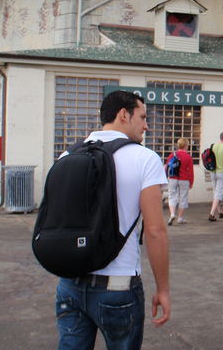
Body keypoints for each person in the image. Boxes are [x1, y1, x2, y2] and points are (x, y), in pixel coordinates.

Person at [55, 90, 170, 349]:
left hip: (70, 283)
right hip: (118, 288)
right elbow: (155, 231)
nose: (146, 125)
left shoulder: (68, 156)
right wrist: (163, 289)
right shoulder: (145, 159)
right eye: (142, 117)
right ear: (123, 115)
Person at [165, 138, 194, 225]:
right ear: (186, 146)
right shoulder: (188, 157)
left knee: (172, 196)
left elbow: (166, 167)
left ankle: (172, 214)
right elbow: (190, 171)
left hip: (173, 178)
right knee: (183, 198)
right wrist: (191, 182)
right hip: (184, 180)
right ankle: (180, 218)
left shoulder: (172, 154)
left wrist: (166, 177)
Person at [209, 131, 223, 221]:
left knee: (216, 192)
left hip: (213, 171)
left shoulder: (214, 146)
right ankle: (212, 214)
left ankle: (221, 212)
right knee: (218, 194)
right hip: (221, 172)